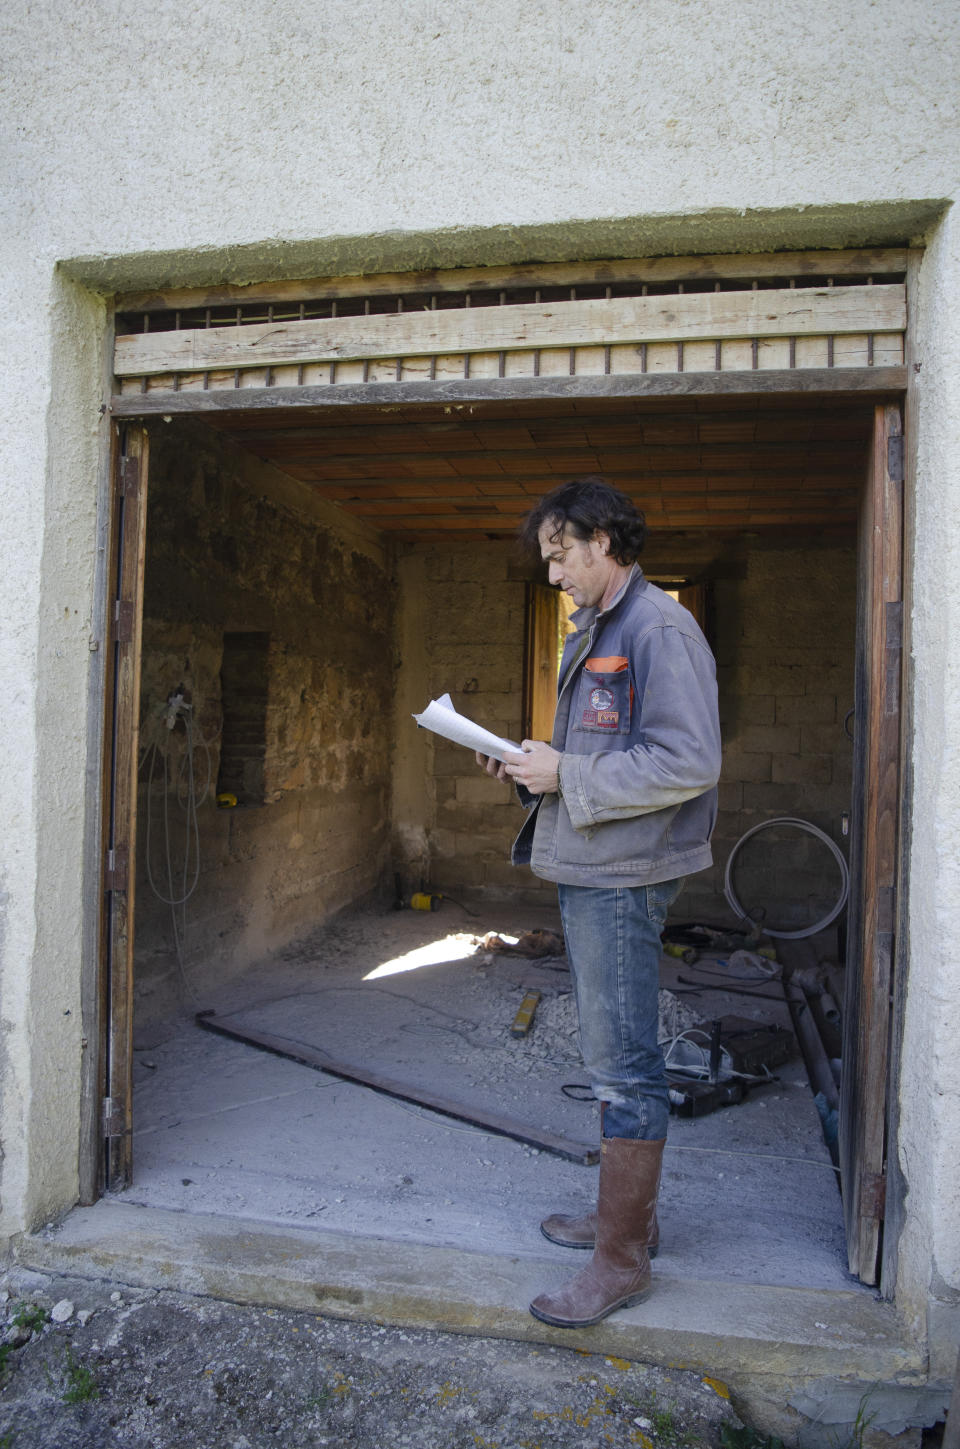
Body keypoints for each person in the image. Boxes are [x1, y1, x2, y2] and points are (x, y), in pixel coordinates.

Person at [476, 475, 721, 1329]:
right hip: (597, 861)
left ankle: (618, 1259)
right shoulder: (604, 629)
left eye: (559, 555)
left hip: (626, 873)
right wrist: (531, 764)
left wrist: (567, 773)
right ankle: (629, 1220)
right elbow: (600, 753)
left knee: (622, 1062)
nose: (552, 575)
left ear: (603, 540)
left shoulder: (660, 627)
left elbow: (688, 761)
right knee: (614, 1052)